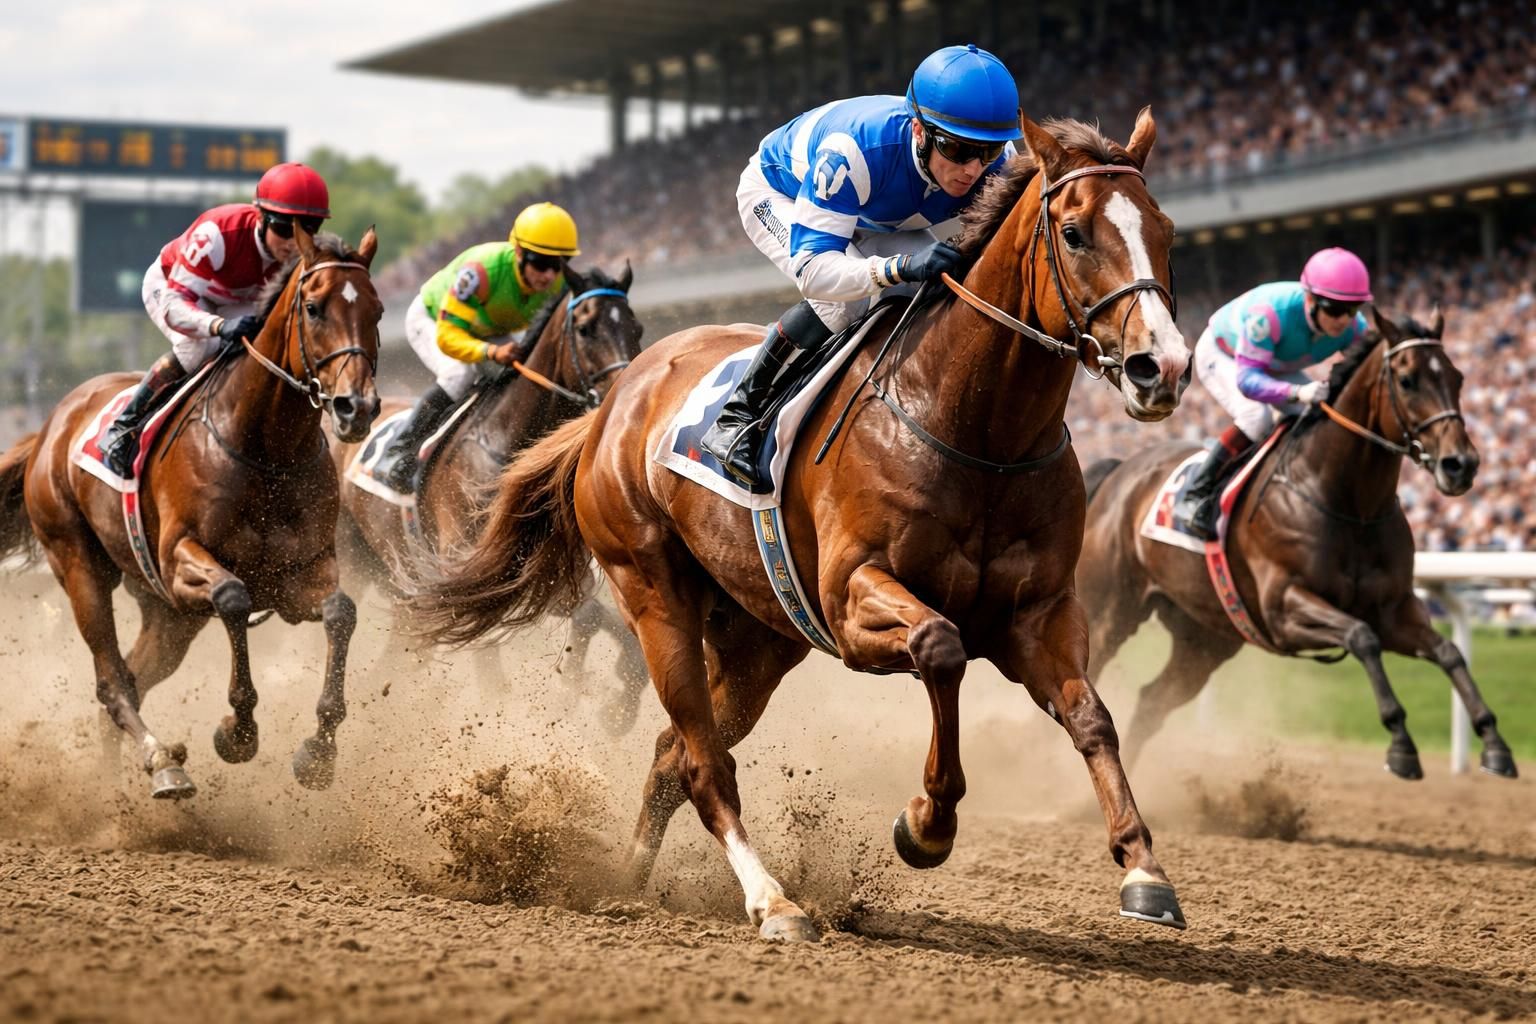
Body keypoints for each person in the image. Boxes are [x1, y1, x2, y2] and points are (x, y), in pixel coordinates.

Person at [700, 43, 1020, 486]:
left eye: (987, 151)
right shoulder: (854, 150)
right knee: (843, 304)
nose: (972, 169)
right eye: (958, 149)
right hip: (781, 194)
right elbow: (815, 270)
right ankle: (738, 417)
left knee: (934, 290)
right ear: (920, 131)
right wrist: (896, 268)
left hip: (875, 213)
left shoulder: (998, 167)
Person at [102, 162, 330, 477]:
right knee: (199, 349)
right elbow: (174, 306)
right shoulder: (217, 234)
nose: (294, 242)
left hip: (238, 300)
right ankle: (124, 426)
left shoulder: (305, 257)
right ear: (261, 217)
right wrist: (219, 326)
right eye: (283, 228)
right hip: (175, 290)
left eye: (308, 229)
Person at [1174, 247, 1374, 539]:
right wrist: (1297, 392)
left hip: (1274, 364)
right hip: (1225, 354)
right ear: (1310, 299)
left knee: (1323, 413)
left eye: (1352, 309)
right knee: (1257, 416)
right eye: (1333, 308)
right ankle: (1195, 493)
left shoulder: (1355, 328)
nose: (1343, 320)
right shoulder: (1269, 314)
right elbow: (1248, 382)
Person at [381, 201, 578, 491]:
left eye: (559, 264)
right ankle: (398, 450)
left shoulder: (559, 285)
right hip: (434, 320)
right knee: (459, 374)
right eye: (541, 262)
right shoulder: (482, 271)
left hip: (489, 329)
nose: (549, 275)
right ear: (520, 253)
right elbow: (448, 337)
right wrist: (491, 352)